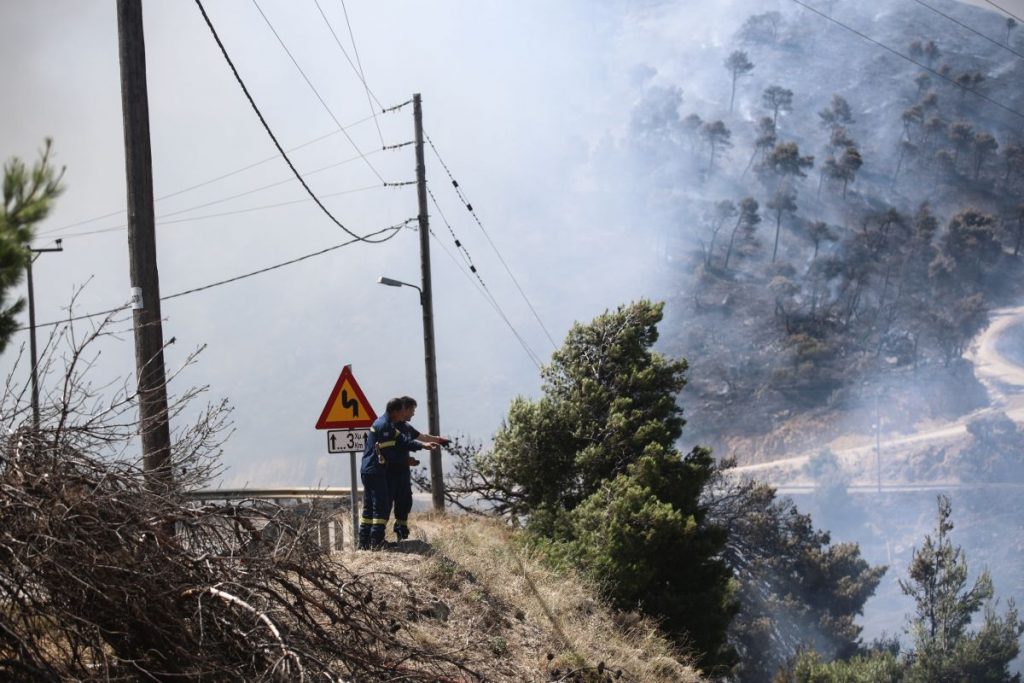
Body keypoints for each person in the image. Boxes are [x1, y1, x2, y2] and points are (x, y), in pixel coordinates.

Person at [357, 398, 437, 550]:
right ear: (395, 411)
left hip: (370, 470)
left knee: (369, 507)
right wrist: (406, 461)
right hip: (375, 470)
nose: (405, 414)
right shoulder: (384, 427)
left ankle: (364, 542)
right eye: (402, 411)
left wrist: (423, 446)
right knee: (380, 507)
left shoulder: (389, 426)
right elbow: (388, 453)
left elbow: (403, 441)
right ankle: (376, 542)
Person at [388, 396, 450, 540]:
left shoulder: (407, 427)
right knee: (386, 503)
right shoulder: (391, 427)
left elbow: (423, 437)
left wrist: (439, 440)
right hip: (390, 471)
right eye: (412, 410)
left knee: (405, 501)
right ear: (405, 409)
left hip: (403, 471)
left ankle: (401, 530)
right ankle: (378, 537)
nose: (413, 414)